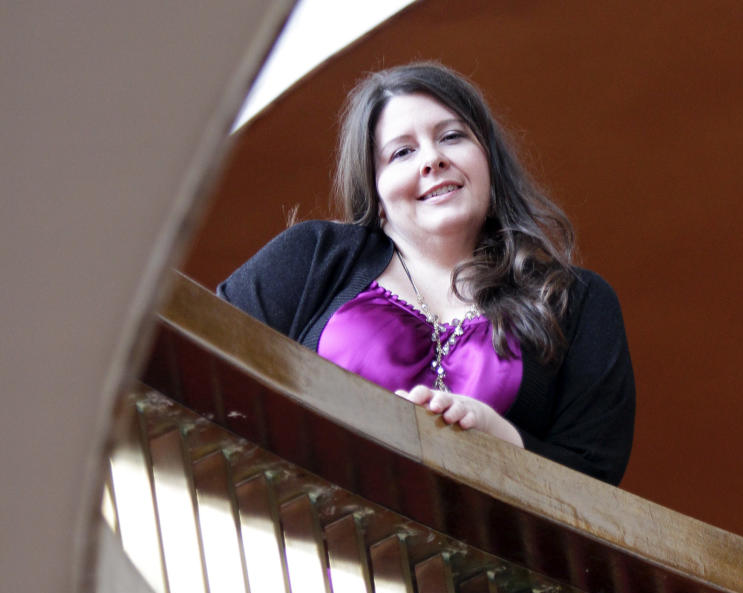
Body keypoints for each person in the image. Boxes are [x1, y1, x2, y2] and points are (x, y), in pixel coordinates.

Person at [218, 62, 635, 484]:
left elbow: (596, 478)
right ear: (375, 190)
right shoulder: (313, 257)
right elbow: (207, 365)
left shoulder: (576, 301)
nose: (433, 159)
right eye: (402, 152)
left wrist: (499, 437)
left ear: (488, 160)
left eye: (451, 136)